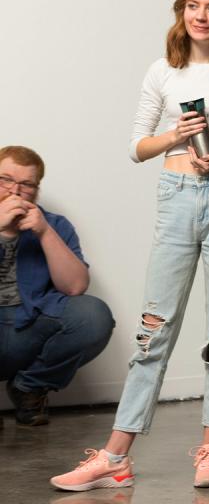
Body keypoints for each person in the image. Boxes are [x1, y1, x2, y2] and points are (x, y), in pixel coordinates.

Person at [51, 0, 209, 492]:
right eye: (194, 6)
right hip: (176, 198)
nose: (202, 15)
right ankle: (116, 456)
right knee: (154, 329)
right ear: (182, 12)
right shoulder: (163, 72)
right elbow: (136, 146)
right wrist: (173, 137)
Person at [0, 145, 114, 426]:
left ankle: (29, 387)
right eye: (5, 179)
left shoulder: (53, 225)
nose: (15, 191)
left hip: (24, 330)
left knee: (92, 316)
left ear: (36, 191)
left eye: (26, 184)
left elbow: (75, 287)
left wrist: (44, 233)